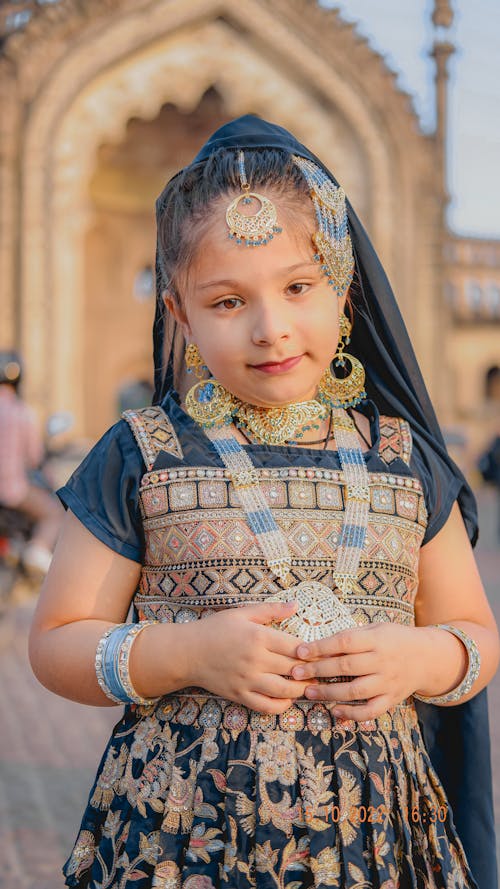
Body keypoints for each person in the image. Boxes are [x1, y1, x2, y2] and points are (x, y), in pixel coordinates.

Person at [28, 117, 499, 889]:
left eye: (297, 287)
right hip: (179, 841)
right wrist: (186, 652)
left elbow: (475, 632)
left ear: (343, 295)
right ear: (179, 315)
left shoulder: (405, 461)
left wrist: (419, 655)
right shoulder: (143, 454)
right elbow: (55, 641)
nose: (270, 326)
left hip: (375, 842)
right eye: (226, 302)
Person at [0, 350, 63, 577]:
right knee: (54, 513)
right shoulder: (21, 412)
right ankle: (38, 549)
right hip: (12, 490)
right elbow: (35, 457)